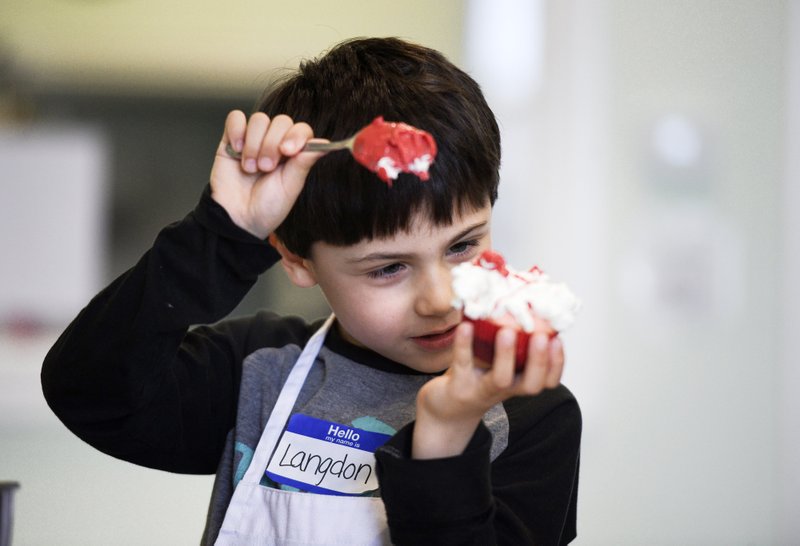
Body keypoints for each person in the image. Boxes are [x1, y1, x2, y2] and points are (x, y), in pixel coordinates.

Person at [41, 37, 581, 545]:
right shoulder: (258, 371)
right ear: (298, 260)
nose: (440, 298)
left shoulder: (532, 415)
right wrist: (224, 232)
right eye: (389, 267)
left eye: (462, 246)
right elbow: (89, 392)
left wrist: (444, 437)